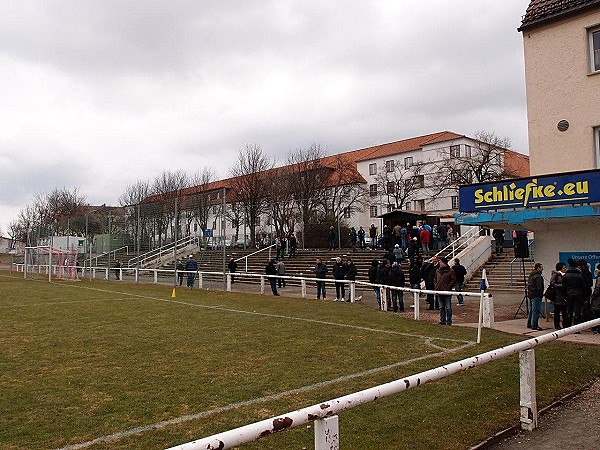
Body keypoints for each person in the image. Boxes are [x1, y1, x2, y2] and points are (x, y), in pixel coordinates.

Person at [562, 259, 584, 326]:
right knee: (577, 311)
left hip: (569, 294)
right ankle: (576, 327)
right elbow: (583, 286)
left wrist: (564, 296)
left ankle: (568, 326)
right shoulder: (580, 275)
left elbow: (564, 287)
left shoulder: (566, 275)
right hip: (578, 294)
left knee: (569, 310)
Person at [435, 257, 457, 325]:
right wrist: (436, 286)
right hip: (439, 291)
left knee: (448, 307)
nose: (440, 263)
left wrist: (448, 287)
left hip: (447, 292)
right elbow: (435, 279)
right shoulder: (438, 271)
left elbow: (453, 280)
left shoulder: (450, 271)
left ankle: (449, 321)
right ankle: (442, 320)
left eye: (441, 262)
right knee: (441, 307)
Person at [548, 262, 568, 330]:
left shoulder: (566, 275)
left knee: (565, 312)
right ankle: (557, 325)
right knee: (557, 312)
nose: (565, 269)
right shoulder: (556, 275)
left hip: (564, 296)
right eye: (564, 268)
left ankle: (565, 324)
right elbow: (552, 284)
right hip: (557, 296)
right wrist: (561, 286)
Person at [527, 262, 544, 331]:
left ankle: (529, 323)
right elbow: (539, 287)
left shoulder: (531, 276)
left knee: (532, 310)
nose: (542, 269)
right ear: (538, 268)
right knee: (536, 310)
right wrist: (541, 294)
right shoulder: (538, 277)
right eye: (541, 268)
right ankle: (534, 325)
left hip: (531, 294)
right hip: (536, 295)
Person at [590, 263, 600, 334]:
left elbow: (597, 289)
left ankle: (598, 329)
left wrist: (593, 297)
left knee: (597, 314)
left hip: (598, 299)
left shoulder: (599, 278)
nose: (596, 270)